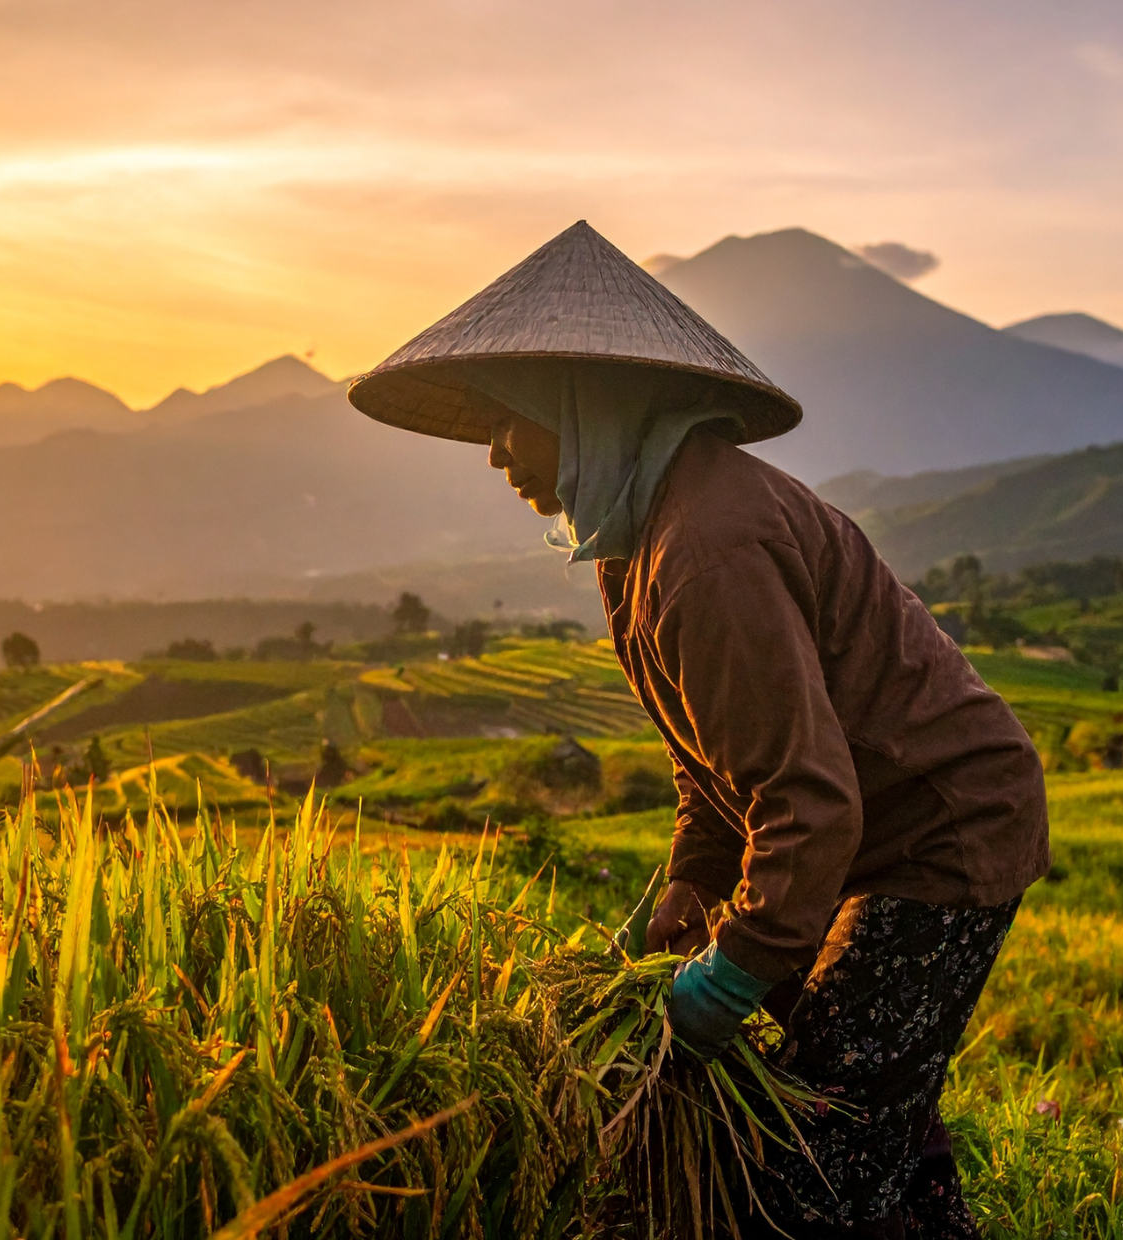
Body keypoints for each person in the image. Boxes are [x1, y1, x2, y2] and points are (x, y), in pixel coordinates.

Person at [349, 222, 1049, 1238]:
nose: (494, 452)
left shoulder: (706, 550)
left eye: (512, 420)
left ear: (586, 410)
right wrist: (691, 875)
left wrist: (735, 965)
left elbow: (805, 798)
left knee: (810, 1158)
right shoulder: (631, 547)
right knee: (861, 1104)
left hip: (939, 834)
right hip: (874, 833)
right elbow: (711, 757)